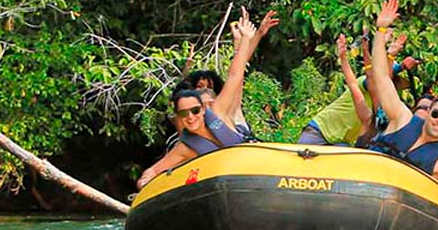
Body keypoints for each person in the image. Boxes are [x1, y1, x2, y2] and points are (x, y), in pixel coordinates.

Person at [136, 10, 278, 189]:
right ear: (177, 117)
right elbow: (154, 171)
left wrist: (247, 39)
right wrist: (144, 182)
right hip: (224, 187)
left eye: (195, 111)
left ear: (203, 110)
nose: (190, 117)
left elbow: (235, 75)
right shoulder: (185, 147)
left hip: (254, 173)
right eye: (183, 113)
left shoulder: (219, 111)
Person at [366, 0, 438, 210]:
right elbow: (381, 76)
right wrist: (381, 32)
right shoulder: (401, 118)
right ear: (428, 113)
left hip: (394, 204)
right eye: (436, 114)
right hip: (367, 181)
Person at [297, 33, 415, 146]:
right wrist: (393, 61)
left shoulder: (376, 117)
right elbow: (368, 78)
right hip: (321, 130)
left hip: (341, 142)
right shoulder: (366, 85)